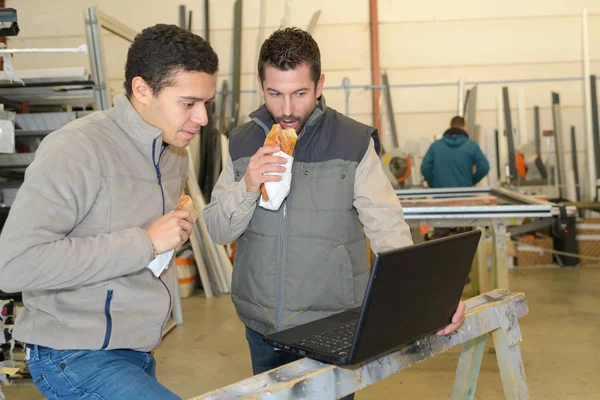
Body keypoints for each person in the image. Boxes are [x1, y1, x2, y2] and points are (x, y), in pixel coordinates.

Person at [202, 27, 466, 396]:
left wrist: (429, 298)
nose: (287, 109)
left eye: (300, 93)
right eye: (275, 94)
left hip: (331, 326)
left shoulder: (353, 142)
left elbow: (387, 226)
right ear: (261, 86)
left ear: (320, 83)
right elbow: (216, 230)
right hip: (261, 326)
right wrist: (247, 185)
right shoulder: (242, 143)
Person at [0, 24, 218, 399]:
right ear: (142, 90)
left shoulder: (175, 154)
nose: (203, 119)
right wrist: (145, 243)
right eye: (188, 103)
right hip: (73, 353)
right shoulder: (77, 148)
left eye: (206, 104)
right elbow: (13, 264)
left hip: (137, 350)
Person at [421, 116, 490, 188]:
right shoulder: (472, 146)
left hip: (441, 194)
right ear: (465, 128)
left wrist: (434, 185)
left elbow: (425, 167)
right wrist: (471, 181)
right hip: (464, 194)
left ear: (450, 126)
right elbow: (484, 167)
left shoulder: (435, 146)